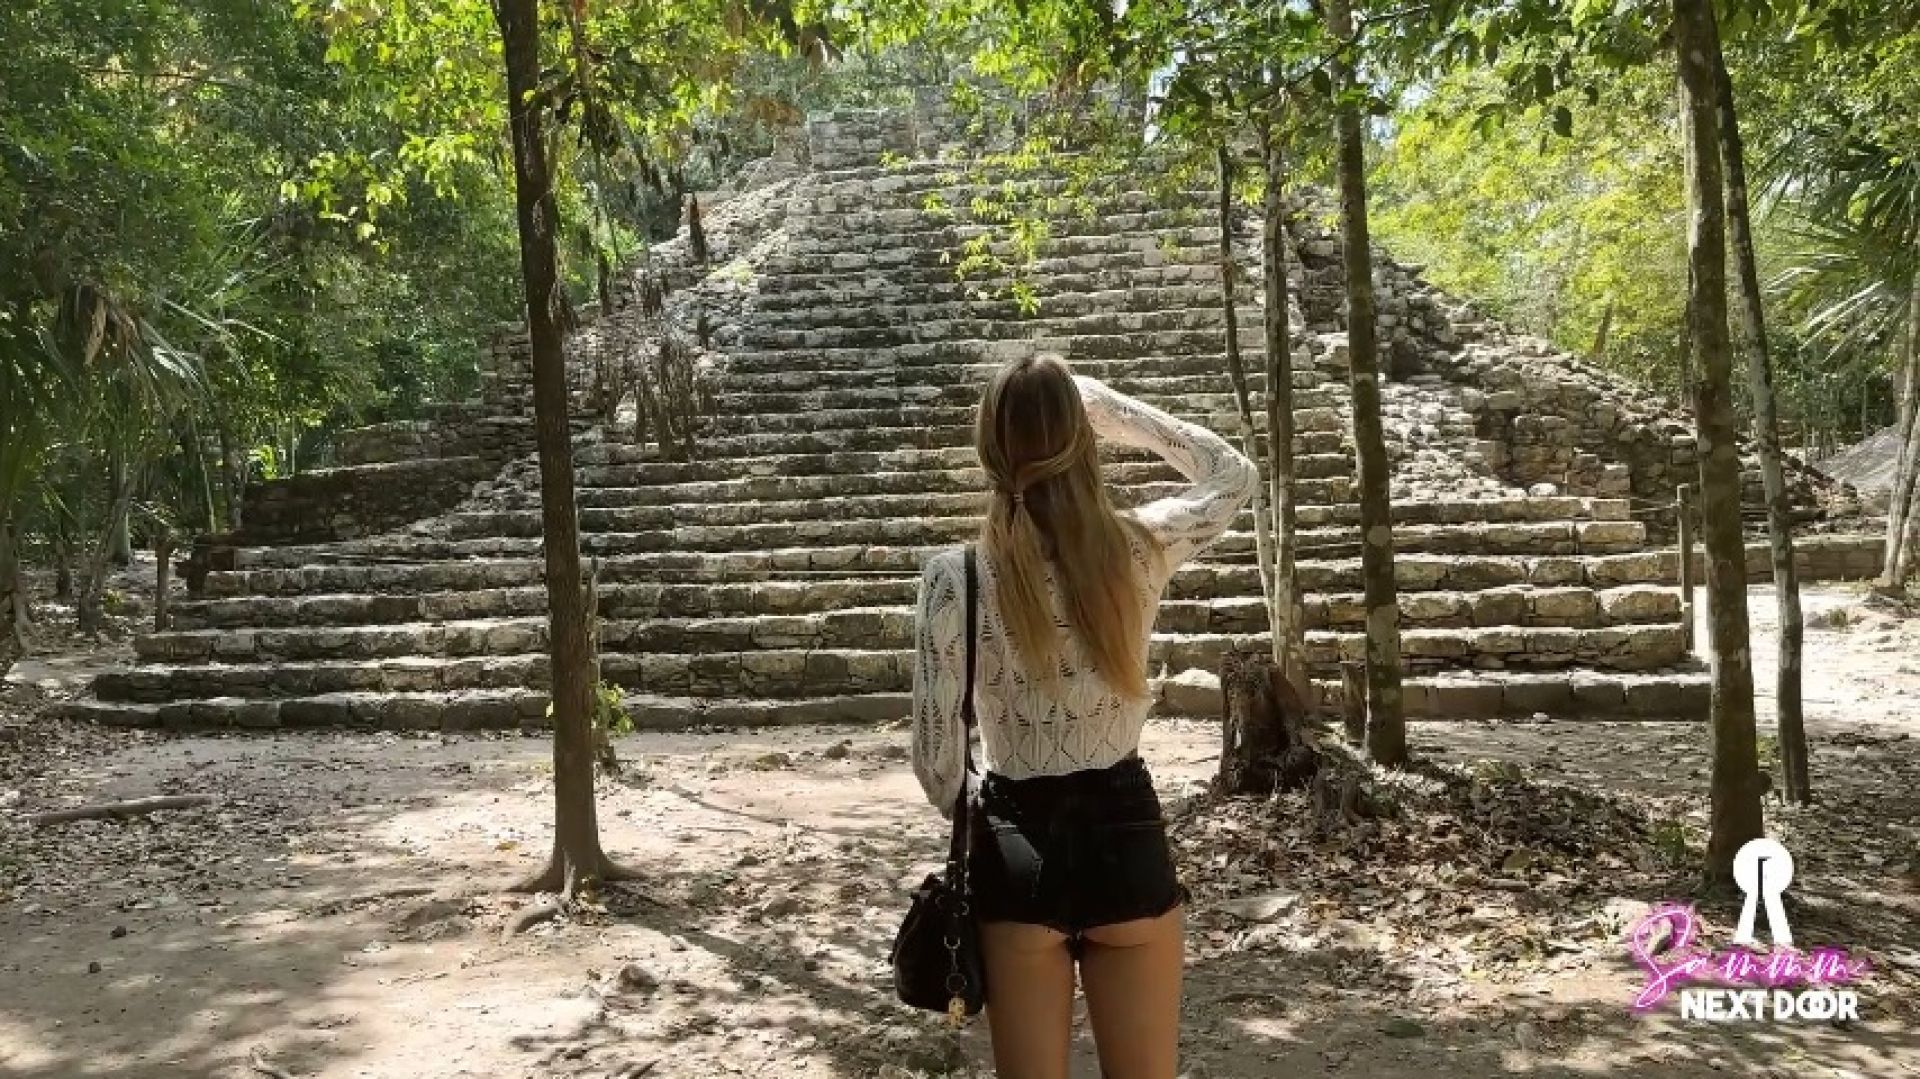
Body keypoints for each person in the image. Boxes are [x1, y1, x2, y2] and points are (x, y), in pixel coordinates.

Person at [910, 353, 1258, 1078]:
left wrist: (983, 806)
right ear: (1083, 439)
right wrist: (1111, 408)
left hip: (1015, 849)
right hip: (1124, 834)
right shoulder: (1138, 546)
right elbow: (1234, 475)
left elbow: (936, 764)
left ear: (988, 449)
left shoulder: (956, 578)